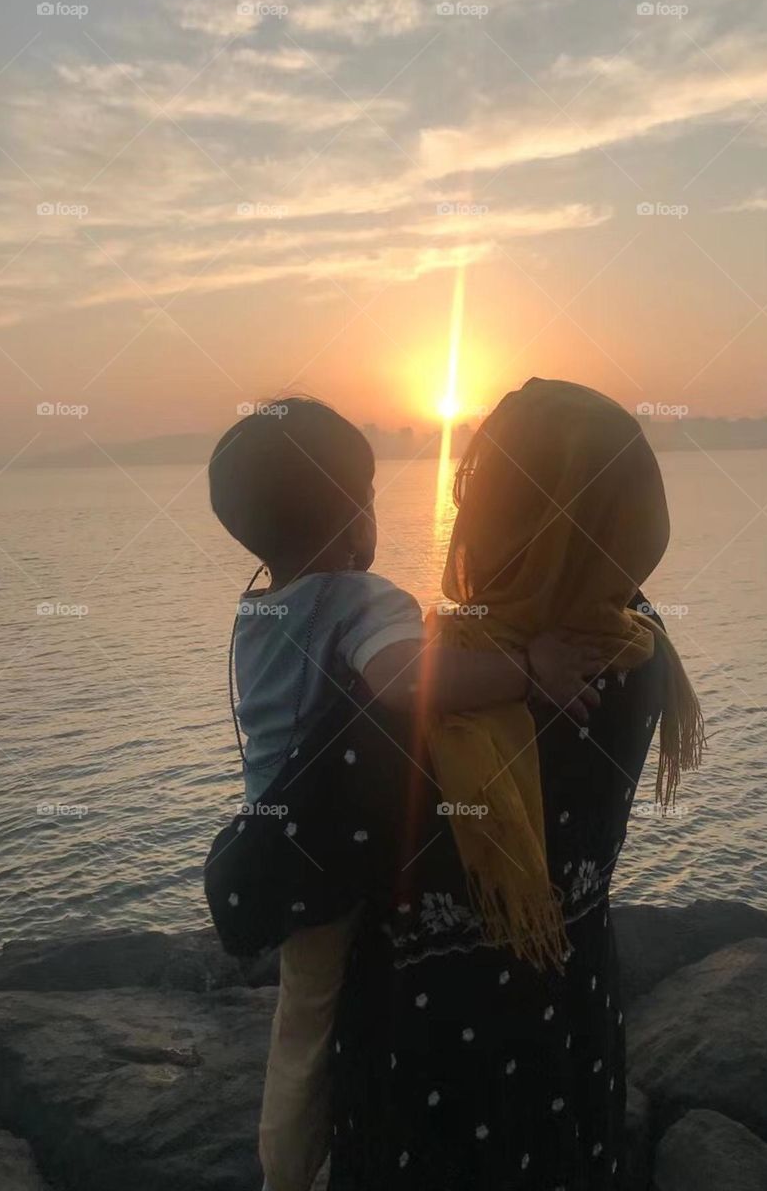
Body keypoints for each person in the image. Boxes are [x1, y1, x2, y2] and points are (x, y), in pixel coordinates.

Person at [260, 378, 704, 1190]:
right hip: (572, 1051)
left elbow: (260, 888)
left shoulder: (415, 709)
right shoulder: (643, 651)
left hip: (425, 1086)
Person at [207, 396, 606, 1191]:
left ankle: (284, 1168)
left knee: (301, 1025)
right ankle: (294, 1174)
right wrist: (528, 675)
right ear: (358, 520)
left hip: (277, 833)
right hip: (325, 850)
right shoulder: (364, 601)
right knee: (321, 1018)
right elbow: (404, 683)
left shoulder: (258, 610)